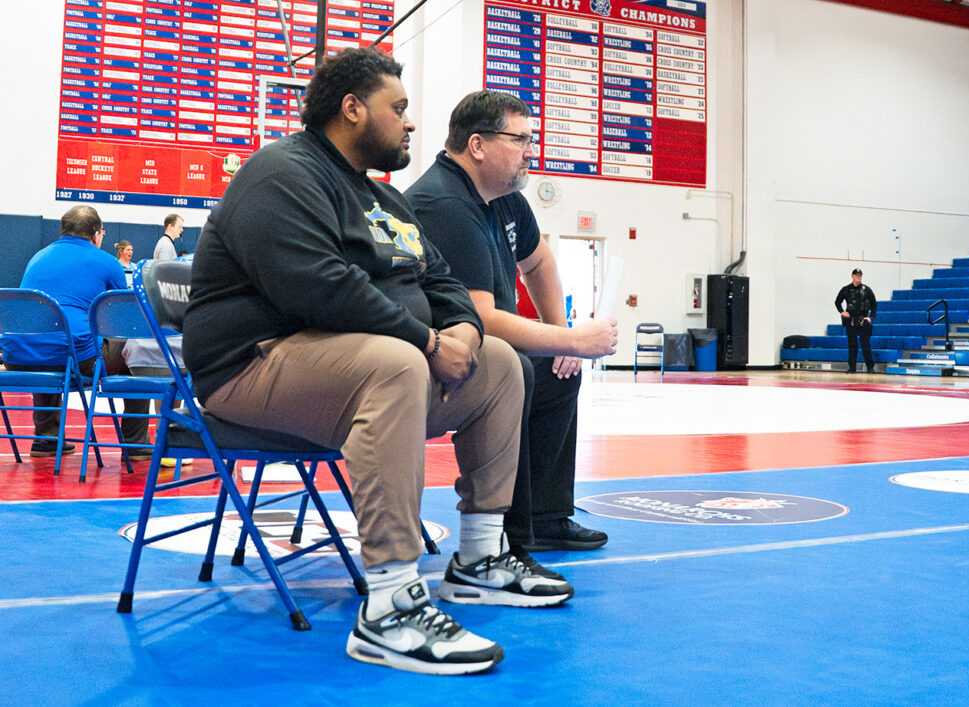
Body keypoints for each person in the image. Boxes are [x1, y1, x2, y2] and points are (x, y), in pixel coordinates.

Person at [182, 48, 571, 675]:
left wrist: (465, 331)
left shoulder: (384, 200)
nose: (411, 123)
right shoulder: (282, 172)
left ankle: (477, 559)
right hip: (249, 366)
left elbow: (440, 279)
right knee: (395, 363)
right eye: (400, 109)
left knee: (500, 361)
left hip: (344, 364)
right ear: (353, 109)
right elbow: (317, 286)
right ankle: (389, 606)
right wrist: (425, 343)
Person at [405, 90, 617, 555]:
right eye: (520, 139)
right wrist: (573, 339)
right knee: (516, 369)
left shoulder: (504, 198)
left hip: (482, 349)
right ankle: (506, 533)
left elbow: (539, 263)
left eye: (532, 138)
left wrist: (561, 340)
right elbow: (482, 319)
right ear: (478, 145)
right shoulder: (445, 204)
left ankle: (545, 517)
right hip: (438, 360)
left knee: (557, 374)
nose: (530, 151)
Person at [0, 206, 151, 458]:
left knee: (48, 343)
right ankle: (135, 444)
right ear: (95, 234)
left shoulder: (37, 257)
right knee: (134, 346)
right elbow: (123, 317)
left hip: (17, 359)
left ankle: (46, 438)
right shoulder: (107, 262)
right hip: (77, 361)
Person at [835, 267, 877, 373]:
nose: (859, 277)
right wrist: (842, 311)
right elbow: (837, 302)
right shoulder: (846, 289)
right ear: (852, 276)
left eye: (860, 275)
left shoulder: (866, 289)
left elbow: (874, 304)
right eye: (857, 275)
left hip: (863, 320)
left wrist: (871, 317)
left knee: (865, 345)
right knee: (852, 345)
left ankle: (870, 367)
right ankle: (852, 367)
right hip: (851, 321)